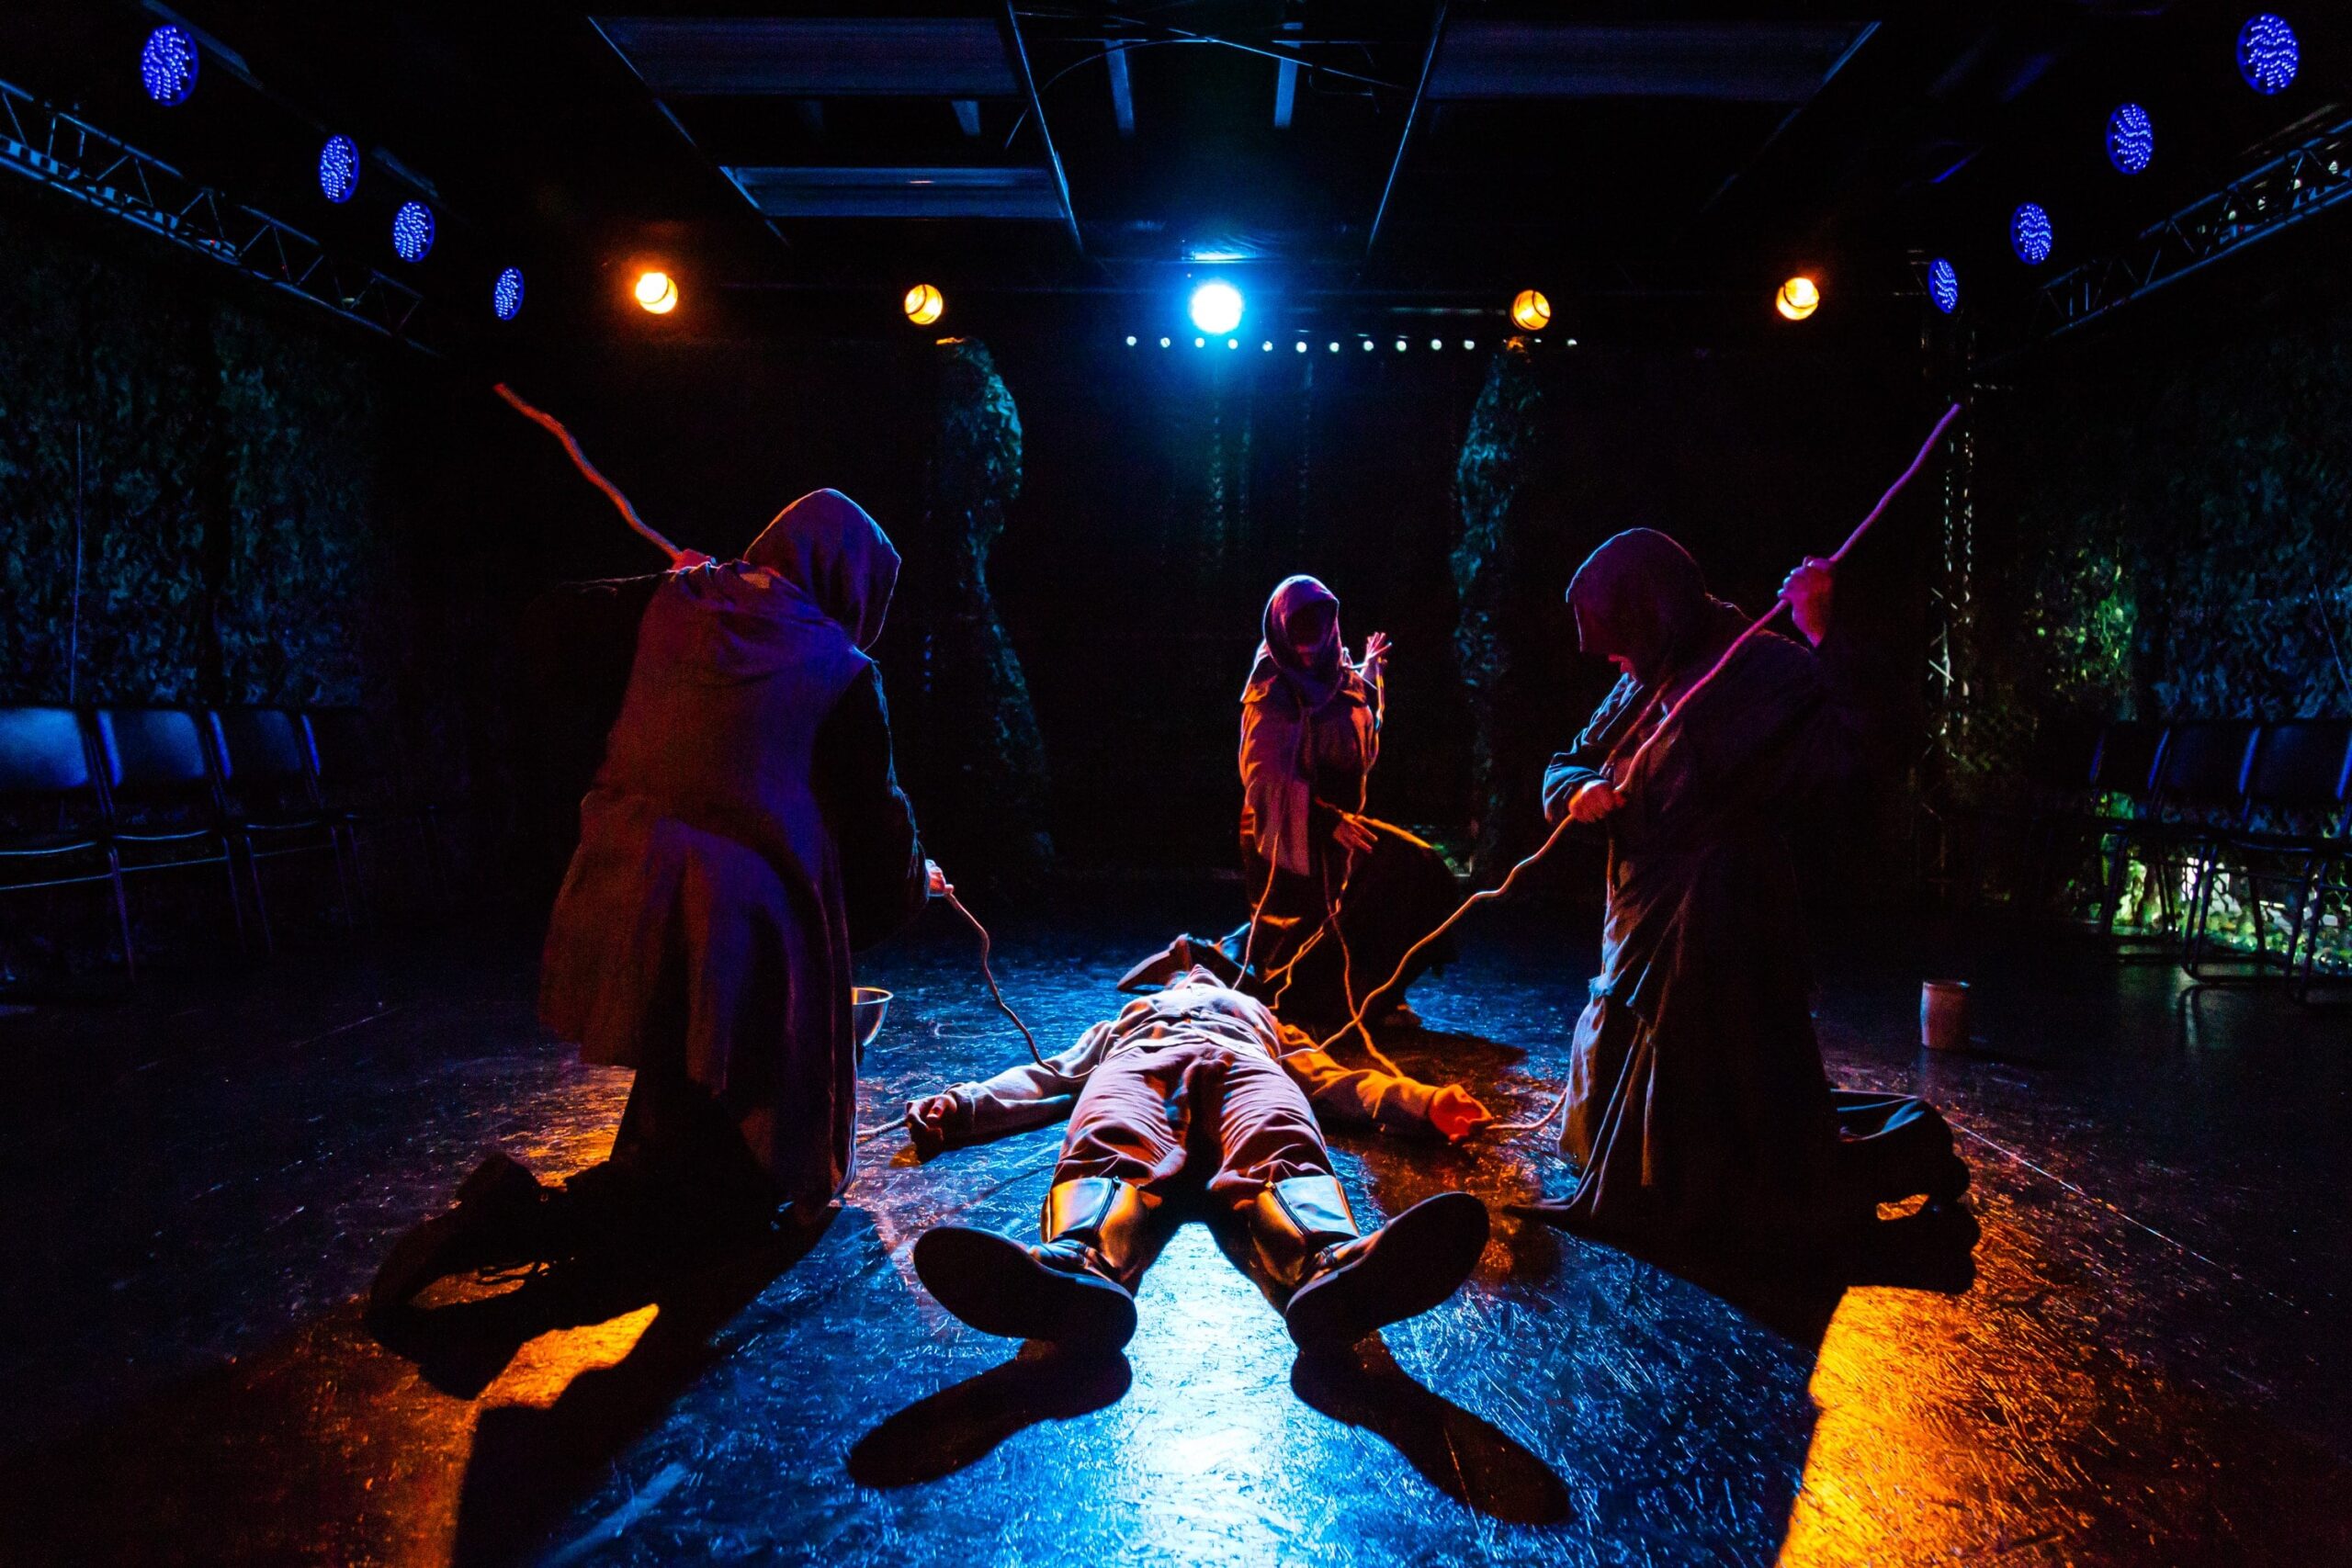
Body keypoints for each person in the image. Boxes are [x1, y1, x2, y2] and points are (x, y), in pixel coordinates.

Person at [371, 490, 938, 1314]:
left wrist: (669, 599)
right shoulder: (843, 673)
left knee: (687, 1099)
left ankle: (621, 1184)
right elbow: (880, 858)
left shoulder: (671, 603)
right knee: (729, 1205)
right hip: (730, 932)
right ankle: (520, 1220)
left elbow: (548, 624)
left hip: (620, 887)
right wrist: (919, 880)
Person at [1520, 528, 1966, 1248]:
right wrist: (1578, 789)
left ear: (1651, 611)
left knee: (1744, 1143)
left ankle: (1899, 1155)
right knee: (1634, 1114)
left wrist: (1823, 633)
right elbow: (1567, 760)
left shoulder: (1754, 666)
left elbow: (1876, 737)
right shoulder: (1646, 673)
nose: (1611, 656)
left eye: (1618, 634)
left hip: (1721, 925)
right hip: (1639, 913)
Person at [904, 967, 1492, 1354]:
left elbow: (1328, 1078)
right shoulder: (1128, 1017)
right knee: (1110, 1136)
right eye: (1188, 969)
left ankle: (1332, 1265)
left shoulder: (1260, 1015)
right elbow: (1053, 1076)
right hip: (1142, 1058)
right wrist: (961, 1106)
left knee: (1279, 1139)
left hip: (1245, 1062)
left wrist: (1424, 1102)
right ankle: (1072, 1271)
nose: (1196, 974)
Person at [1122, 575, 1459, 1027]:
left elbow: (1361, 740)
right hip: (1285, 826)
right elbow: (1263, 779)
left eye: (1313, 643)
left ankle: (1375, 993)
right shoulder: (1271, 688)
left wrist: (1372, 678)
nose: (1305, 655)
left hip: (1336, 822)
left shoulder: (1339, 674)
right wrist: (1322, 821)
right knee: (1285, 975)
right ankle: (1206, 960)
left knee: (1417, 874)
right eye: (1296, 644)